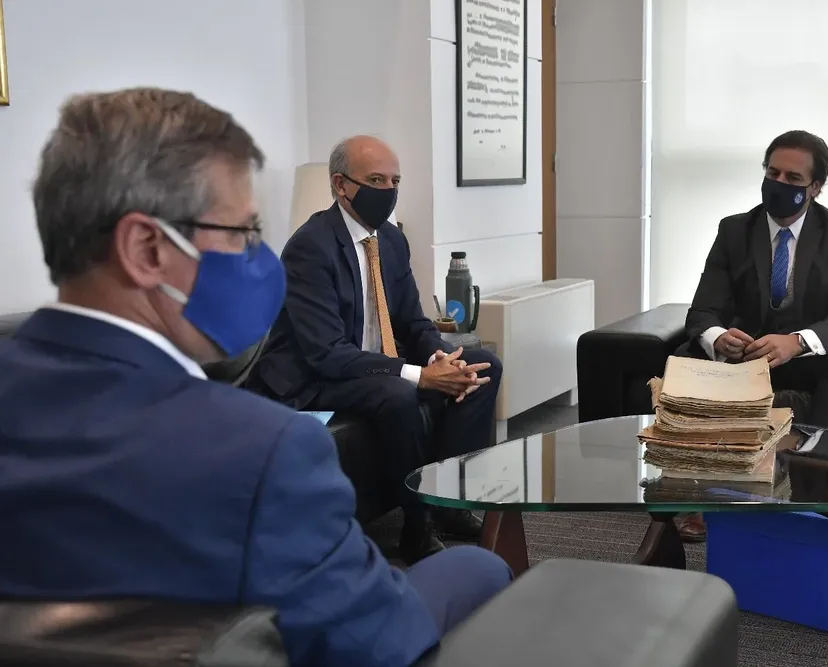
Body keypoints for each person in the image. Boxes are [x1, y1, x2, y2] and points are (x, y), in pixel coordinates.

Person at [0, 88, 512, 667]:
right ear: (146, 248)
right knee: (480, 567)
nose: (256, 261)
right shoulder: (263, 450)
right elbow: (373, 639)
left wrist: (438, 359)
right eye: (241, 234)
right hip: (331, 387)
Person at [247, 136, 502, 564]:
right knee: (398, 393)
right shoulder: (311, 246)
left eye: (395, 180)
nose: (387, 190)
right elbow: (326, 353)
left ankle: (452, 503)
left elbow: (412, 321)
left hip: (370, 361)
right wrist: (420, 375)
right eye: (376, 180)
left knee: (482, 366)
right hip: (312, 376)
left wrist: (442, 358)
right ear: (341, 185)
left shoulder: (390, 240)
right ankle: (417, 525)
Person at [674, 130, 828, 541]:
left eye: (793, 179)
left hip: (810, 361)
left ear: (815, 188)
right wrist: (716, 336)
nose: (779, 184)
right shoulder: (734, 230)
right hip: (747, 360)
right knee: (687, 353)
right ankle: (696, 495)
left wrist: (797, 341)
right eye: (772, 172)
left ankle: (816, 495)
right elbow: (703, 309)